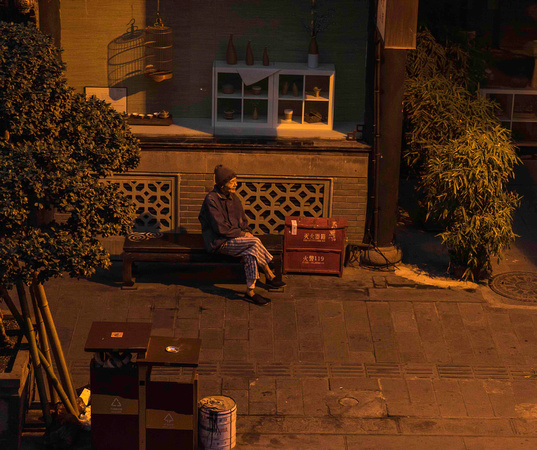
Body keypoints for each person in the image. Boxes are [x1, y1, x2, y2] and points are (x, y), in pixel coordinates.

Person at [199, 164, 286, 306]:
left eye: (235, 181)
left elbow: (243, 221)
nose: (236, 184)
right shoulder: (211, 200)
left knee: (251, 252)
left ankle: (250, 291)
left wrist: (246, 231)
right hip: (219, 242)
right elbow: (220, 229)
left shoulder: (234, 198)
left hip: (237, 239)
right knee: (254, 242)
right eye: (232, 182)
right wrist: (242, 234)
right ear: (222, 184)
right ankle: (269, 273)